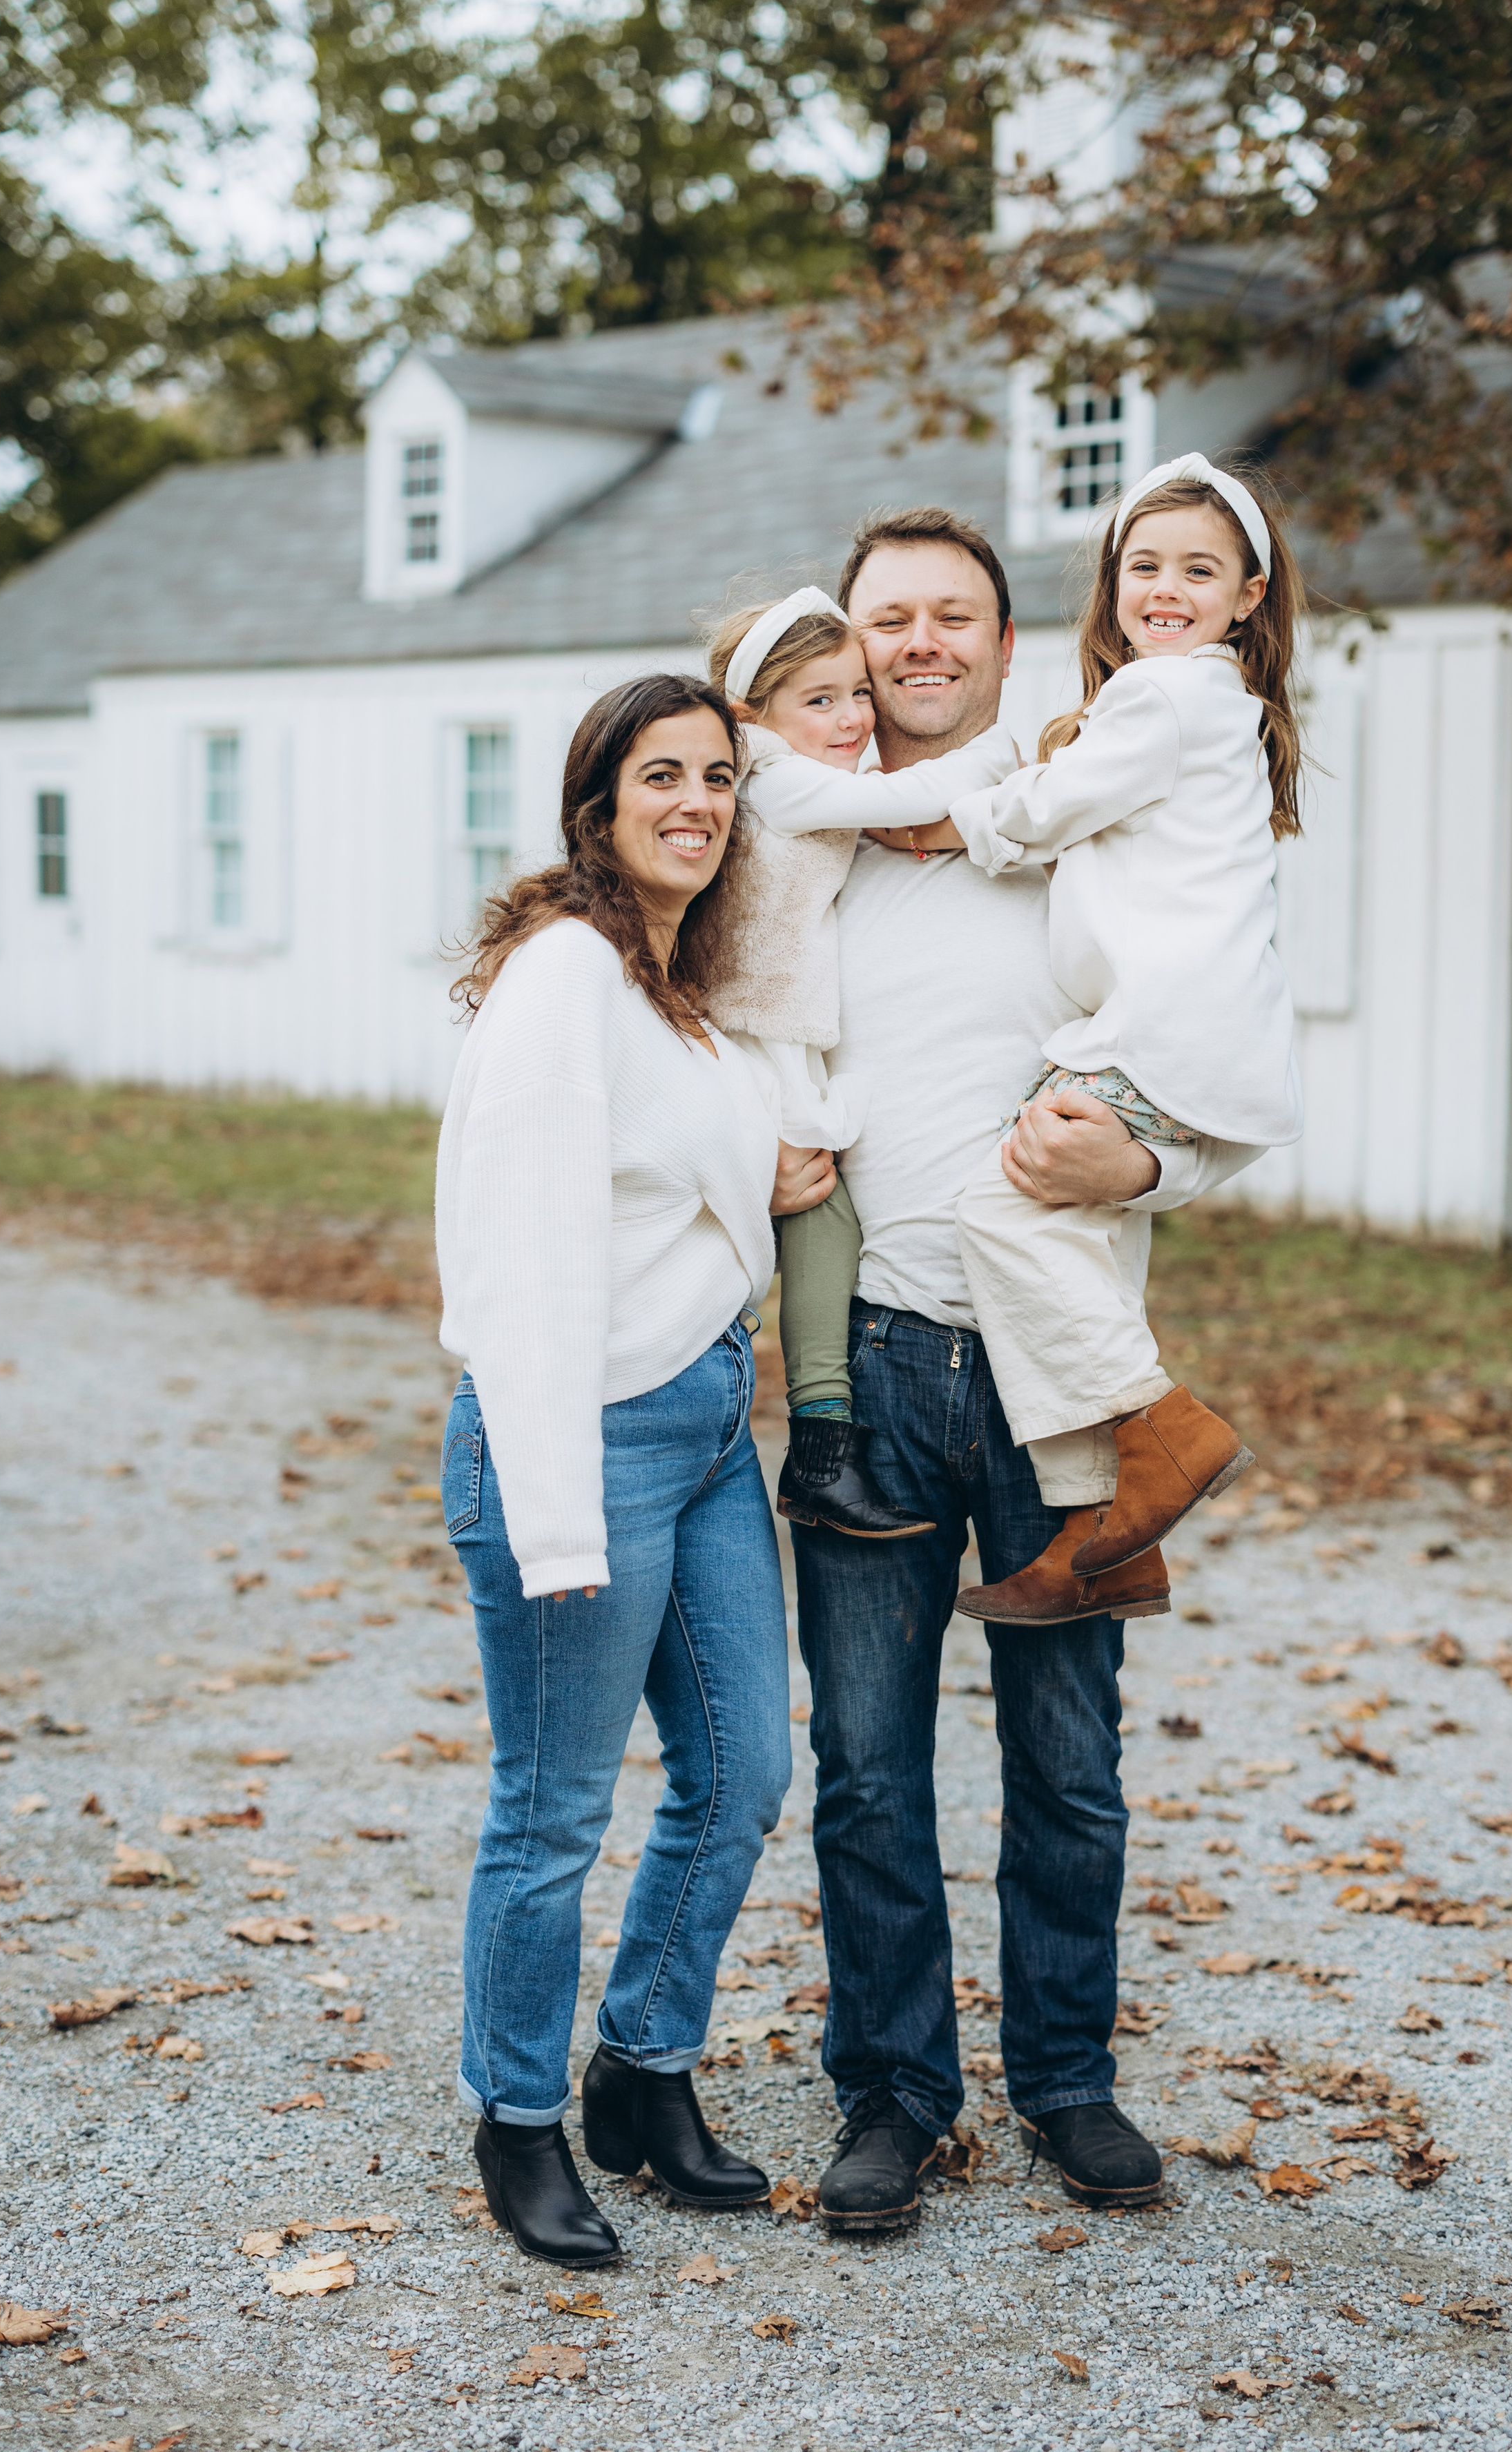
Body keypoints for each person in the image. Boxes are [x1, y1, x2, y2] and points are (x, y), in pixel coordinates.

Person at [788, 505, 1265, 2233]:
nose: (918, 644)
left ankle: (1065, 2078)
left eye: (951, 616)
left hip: (1061, 1390)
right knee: (862, 1761)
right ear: (849, 647)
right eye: (886, 621)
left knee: (1067, 1759)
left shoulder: (1094, 806)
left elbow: (1205, 1070)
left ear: (1006, 637)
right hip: (875, 1366)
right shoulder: (809, 847)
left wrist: (1141, 1172)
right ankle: (894, 2091)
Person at [434, 673, 829, 2267]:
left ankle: (640, 2075)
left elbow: (697, 1172)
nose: (697, 803)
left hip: (708, 1426)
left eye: (720, 778)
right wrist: (553, 1518)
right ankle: (516, 2123)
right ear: (594, 807)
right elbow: (519, 1256)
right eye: (660, 776)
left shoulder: (684, 987)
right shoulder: (563, 976)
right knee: (550, 1815)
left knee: (740, 1774)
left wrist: (774, 1160)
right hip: (576, 1433)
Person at [949, 454, 1305, 1626]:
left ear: (1247, 596)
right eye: (1142, 565)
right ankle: (1107, 1539)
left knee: (1002, 1208)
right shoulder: (1222, 711)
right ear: (1112, 583)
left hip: (1150, 1036)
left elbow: (1044, 811)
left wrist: (965, 813)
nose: (1165, 587)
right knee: (1072, 1246)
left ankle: (1162, 1429)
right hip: (1208, 1047)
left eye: (1199, 570)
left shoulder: (1163, 696)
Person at [700, 584, 1018, 1539]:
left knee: (815, 1214)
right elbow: (907, 799)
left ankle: (813, 1437)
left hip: (781, 1024)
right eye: (821, 700)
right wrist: (1005, 754)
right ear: (754, 716)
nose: (851, 719)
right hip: (758, 1028)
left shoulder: (783, 767)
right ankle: (815, 1443)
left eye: (854, 695)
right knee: (802, 1214)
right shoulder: (770, 772)